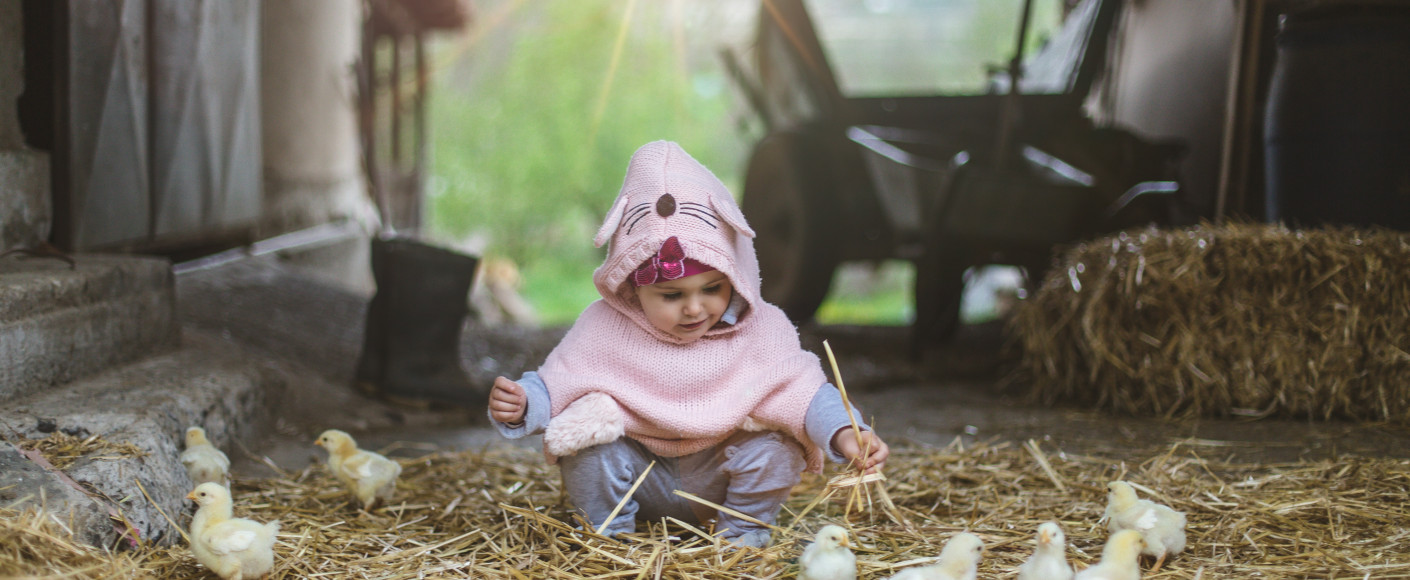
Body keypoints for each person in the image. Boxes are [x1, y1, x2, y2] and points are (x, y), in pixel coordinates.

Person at [487, 140, 889, 548]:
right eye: (672, 295)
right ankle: (606, 539)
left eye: (712, 289)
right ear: (633, 288)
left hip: (717, 485)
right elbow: (558, 381)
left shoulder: (762, 329)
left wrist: (844, 432)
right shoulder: (605, 328)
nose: (695, 308)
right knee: (587, 441)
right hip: (639, 477)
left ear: (734, 275)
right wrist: (524, 403)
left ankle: (743, 537)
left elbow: (805, 393)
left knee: (776, 449)